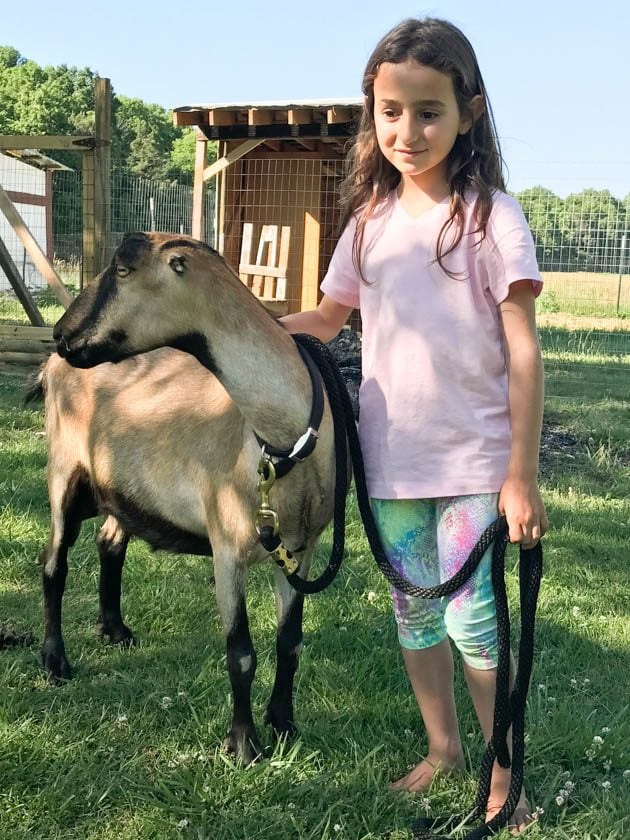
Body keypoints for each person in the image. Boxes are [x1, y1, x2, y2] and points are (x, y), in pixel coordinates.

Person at [280, 16, 548, 835]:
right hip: (390, 464)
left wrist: (522, 474)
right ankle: (443, 749)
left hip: (475, 463)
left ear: (468, 111)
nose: (407, 130)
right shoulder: (367, 224)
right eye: (390, 111)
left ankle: (505, 777)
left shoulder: (491, 218)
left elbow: (525, 352)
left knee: (474, 619)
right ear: (373, 112)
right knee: (414, 614)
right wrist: (248, 336)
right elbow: (329, 315)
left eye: (428, 111)